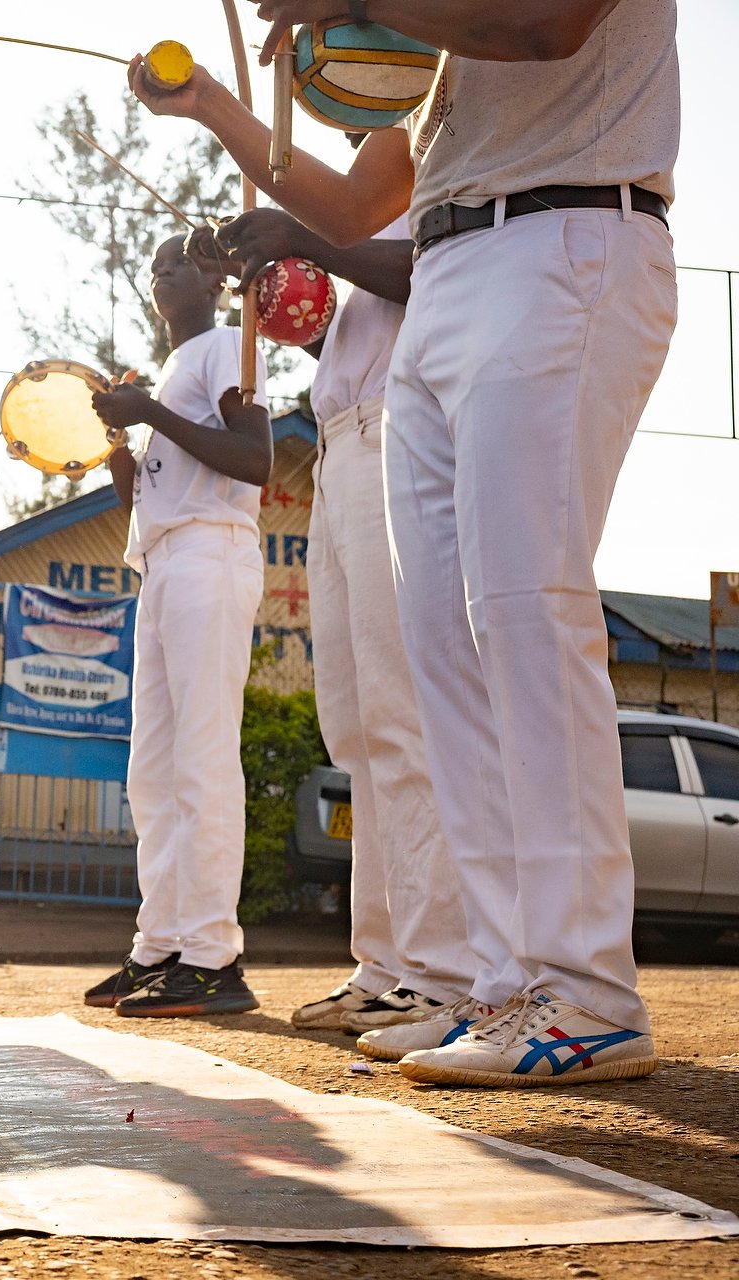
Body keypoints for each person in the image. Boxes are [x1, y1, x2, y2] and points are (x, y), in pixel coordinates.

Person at [185, 0, 675, 1085]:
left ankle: (588, 988)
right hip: (454, 264)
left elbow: (547, 27)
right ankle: (505, 981)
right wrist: (214, 104)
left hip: (566, 235)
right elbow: (364, 200)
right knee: (445, 652)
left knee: (522, 615)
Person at [134, 92, 475, 1033]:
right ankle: (387, 960)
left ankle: (442, 969)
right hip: (338, 438)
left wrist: (311, 240)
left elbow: (429, 272)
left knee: (402, 715)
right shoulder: (359, 187)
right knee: (358, 728)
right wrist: (270, 278)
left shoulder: (427, 152)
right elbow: (347, 326)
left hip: (400, 431)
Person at [80, 236, 272, 1018]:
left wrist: (152, 411)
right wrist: (118, 447)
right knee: (152, 773)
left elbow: (255, 458)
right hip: (162, 566)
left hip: (210, 555)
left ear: (217, 280)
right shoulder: (167, 372)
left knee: (200, 758)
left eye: (179, 262)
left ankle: (213, 958)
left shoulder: (226, 344)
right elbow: (148, 498)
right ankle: (158, 946)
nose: (163, 271)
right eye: (154, 264)